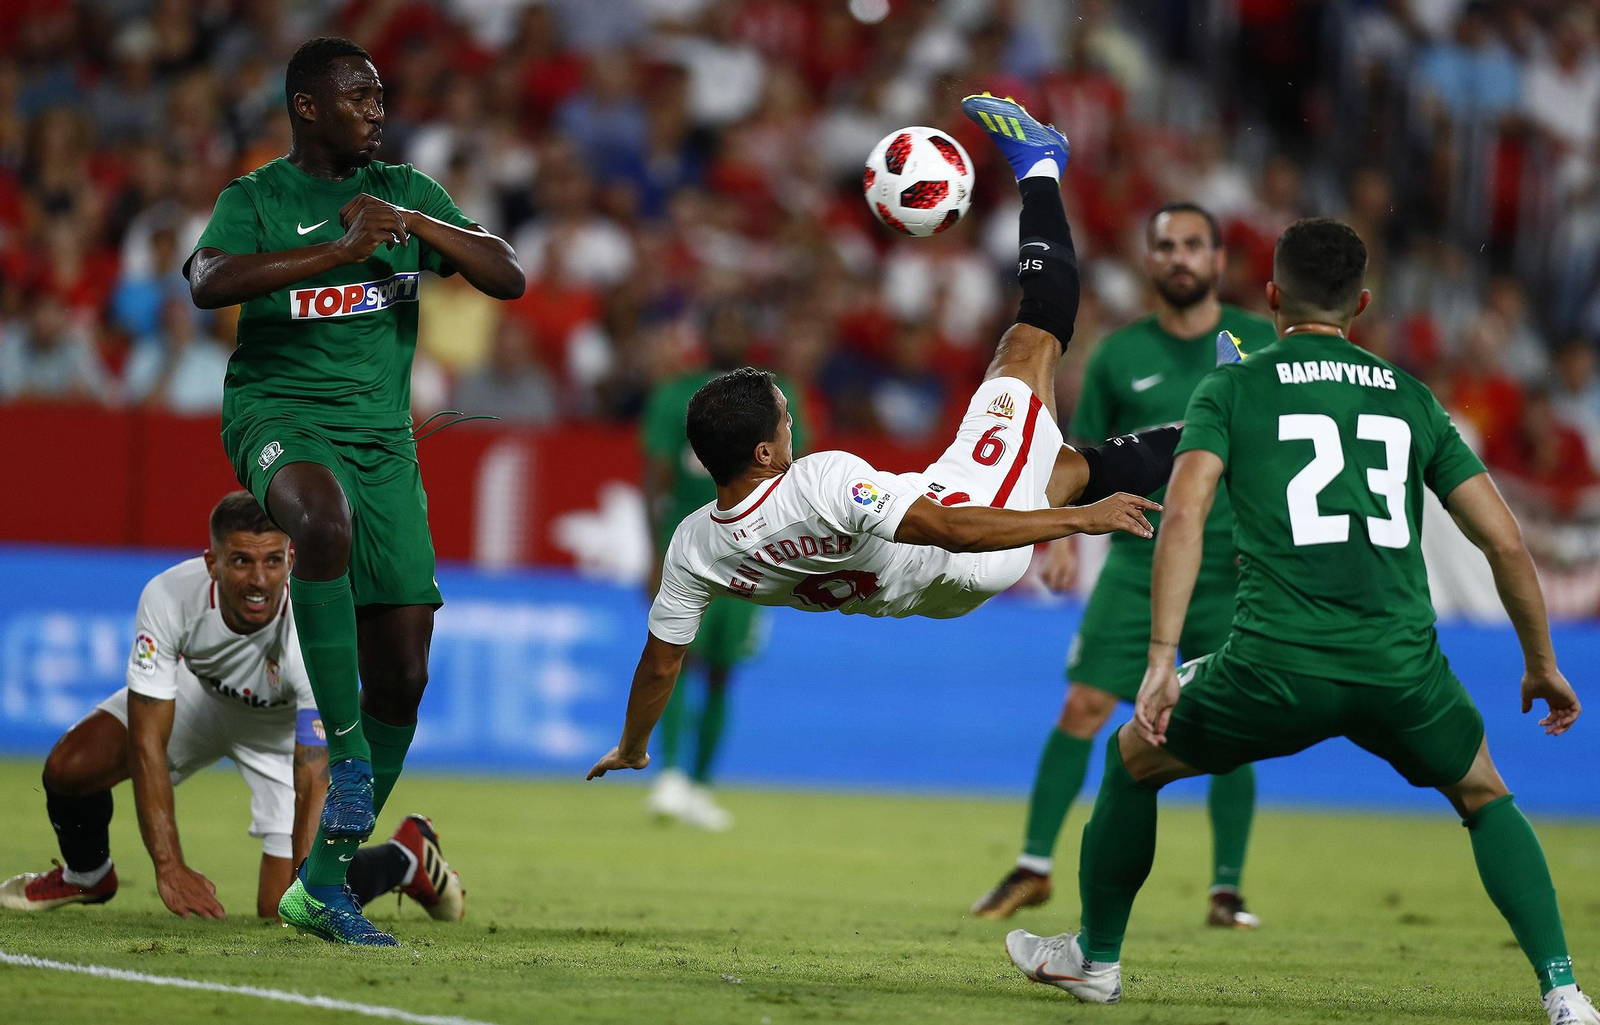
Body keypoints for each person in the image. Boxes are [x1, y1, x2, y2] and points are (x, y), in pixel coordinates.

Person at [1003, 219, 1598, 1025]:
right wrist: (1541, 660)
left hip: (1272, 665)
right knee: (1486, 793)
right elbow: (1502, 537)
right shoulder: (1413, 398)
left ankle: (1096, 959)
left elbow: (1183, 513)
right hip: (1402, 668)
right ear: (1361, 303)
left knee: (1131, 756)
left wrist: (1161, 657)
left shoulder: (1234, 385)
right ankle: (1564, 991)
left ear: (1273, 297)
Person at [587, 96, 1170, 783]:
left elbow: (661, 661)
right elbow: (951, 527)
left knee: (1069, 464)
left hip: (930, 594)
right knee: (1030, 341)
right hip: (966, 540)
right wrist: (1079, 523)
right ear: (765, 454)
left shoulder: (693, 544)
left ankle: (1219, 416)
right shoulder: (820, 482)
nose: (793, 421)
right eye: (784, 418)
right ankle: (1040, 165)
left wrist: (632, 743)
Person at [183, 37, 523, 945]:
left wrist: (419, 227)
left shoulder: (407, 192)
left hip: (384, 441)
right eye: (359, 96)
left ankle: (321, 885)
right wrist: (336, 248)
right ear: (307, 105)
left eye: (380, 95)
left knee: (406, 671)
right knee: (319, 523)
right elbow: (209, 282)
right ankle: (346, 752)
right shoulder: (257, 199)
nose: (378, 108)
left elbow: (507, 274)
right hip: (278, 413)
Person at [972, 203, 1278, 927]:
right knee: (1083, 705)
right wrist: (1060, 539)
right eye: (1164, 245)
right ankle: (1034, 867)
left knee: (1232, 724)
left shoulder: (1258, 340)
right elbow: (1078, 459)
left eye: (1192, 246)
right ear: (1148, 260)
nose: (1178, 257)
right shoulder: (1116, 355)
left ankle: (1226, 889)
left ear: (1218, 259)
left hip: (1233, 567)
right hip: (1138, 564)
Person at [0, 493, 463, 925]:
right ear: (212, 564)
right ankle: (88, 874)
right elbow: (147, 740)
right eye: (241, 560)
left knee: (284, 903)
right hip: (199, 699)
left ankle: (404, 856)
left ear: (291, 562)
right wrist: (169, 865)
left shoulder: (309, 628)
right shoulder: (168, 597)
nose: (259, 579)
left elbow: (313, 776)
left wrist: (309, 889)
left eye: (272, 561)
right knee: (68, 767)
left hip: (281, 734)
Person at [640, 305, 807, 831]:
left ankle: (701, 786)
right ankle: (667, 775)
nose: (729, 333)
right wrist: (652, 553)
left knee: (722, 669)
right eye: (721, 324)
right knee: (677, 657)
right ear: (706, 336)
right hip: (690, 550)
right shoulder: (675, 396)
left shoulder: (781, 400)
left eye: (739, 325)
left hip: (755, 555)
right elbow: (656, 480)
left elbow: (795, 482)